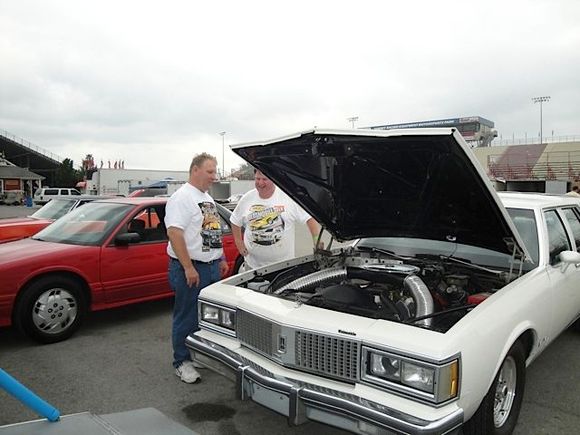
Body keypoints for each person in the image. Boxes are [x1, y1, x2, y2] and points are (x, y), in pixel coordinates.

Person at [165, 153, 229, 383]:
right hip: (191, 270)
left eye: (215, 171)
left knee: (206, 316)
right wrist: (188, 267)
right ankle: (182, 362)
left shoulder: (206, 198)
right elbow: (174, 233)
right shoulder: (182, 198)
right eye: (210, 172)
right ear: (195, 170)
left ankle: (196, 354)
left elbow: (212, 231)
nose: (214, 176)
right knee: (187, 316)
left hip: (210, 267)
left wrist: (221, 257)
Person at [230, 169, 322, 271]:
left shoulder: (288, 198)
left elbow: (309, 218)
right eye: (257, 179)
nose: (260, 183)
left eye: (265, 179)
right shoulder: (247, 198)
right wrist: (239, 242)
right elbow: (235, 220)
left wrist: (317, 240)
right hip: (253, 267)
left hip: (283, 267)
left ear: (273, 179)